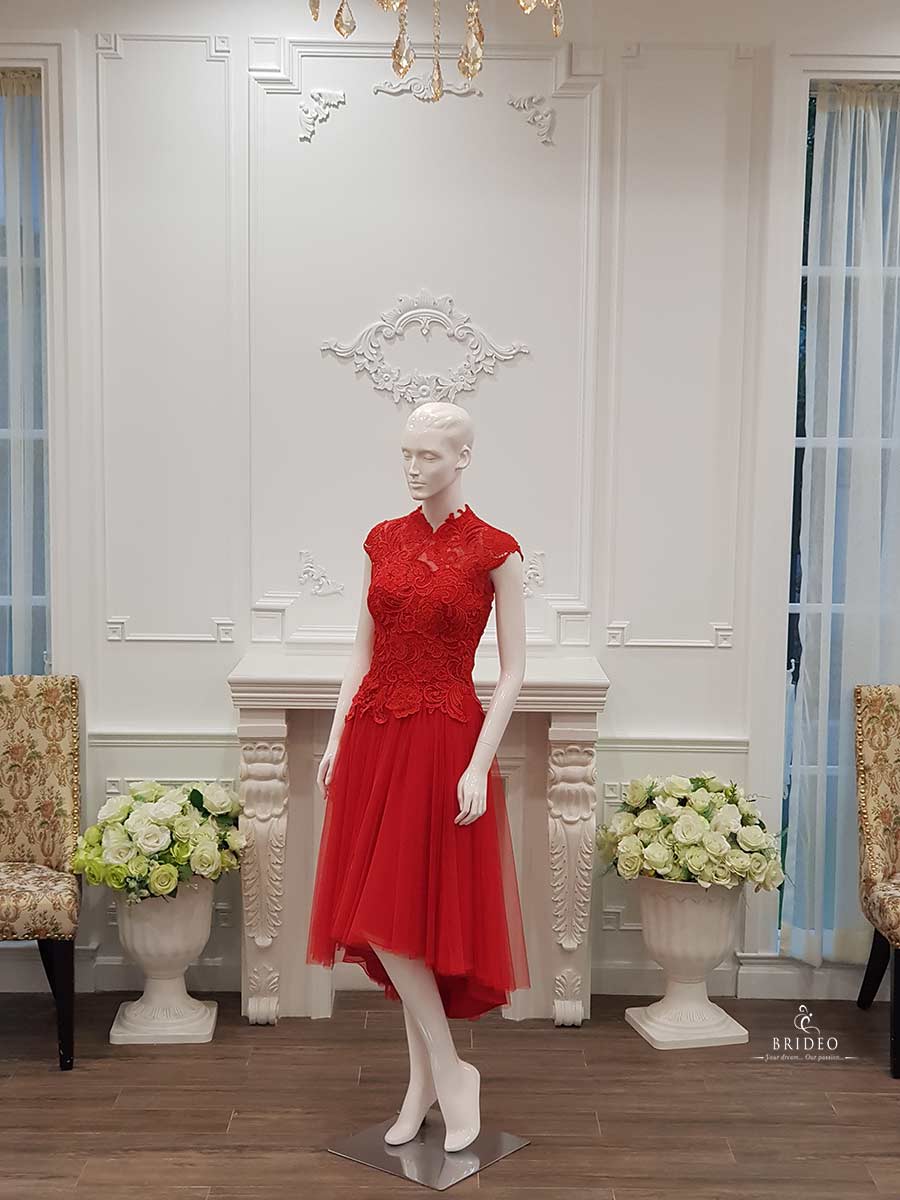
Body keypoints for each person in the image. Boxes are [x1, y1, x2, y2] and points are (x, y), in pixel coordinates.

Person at [306, 400, 530, 1153]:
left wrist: (479, 764)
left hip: (443, 743)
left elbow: (513, 673)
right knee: (392, 921)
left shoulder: (496, 551)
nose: (412, 467)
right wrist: (337, 736)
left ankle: (449, 1073)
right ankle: (430, 1081)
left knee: (404, 924)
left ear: (462, 457)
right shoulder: (382, 540)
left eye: (427, 455)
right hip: (375, 737)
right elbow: (361, 652)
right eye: (406, 453)